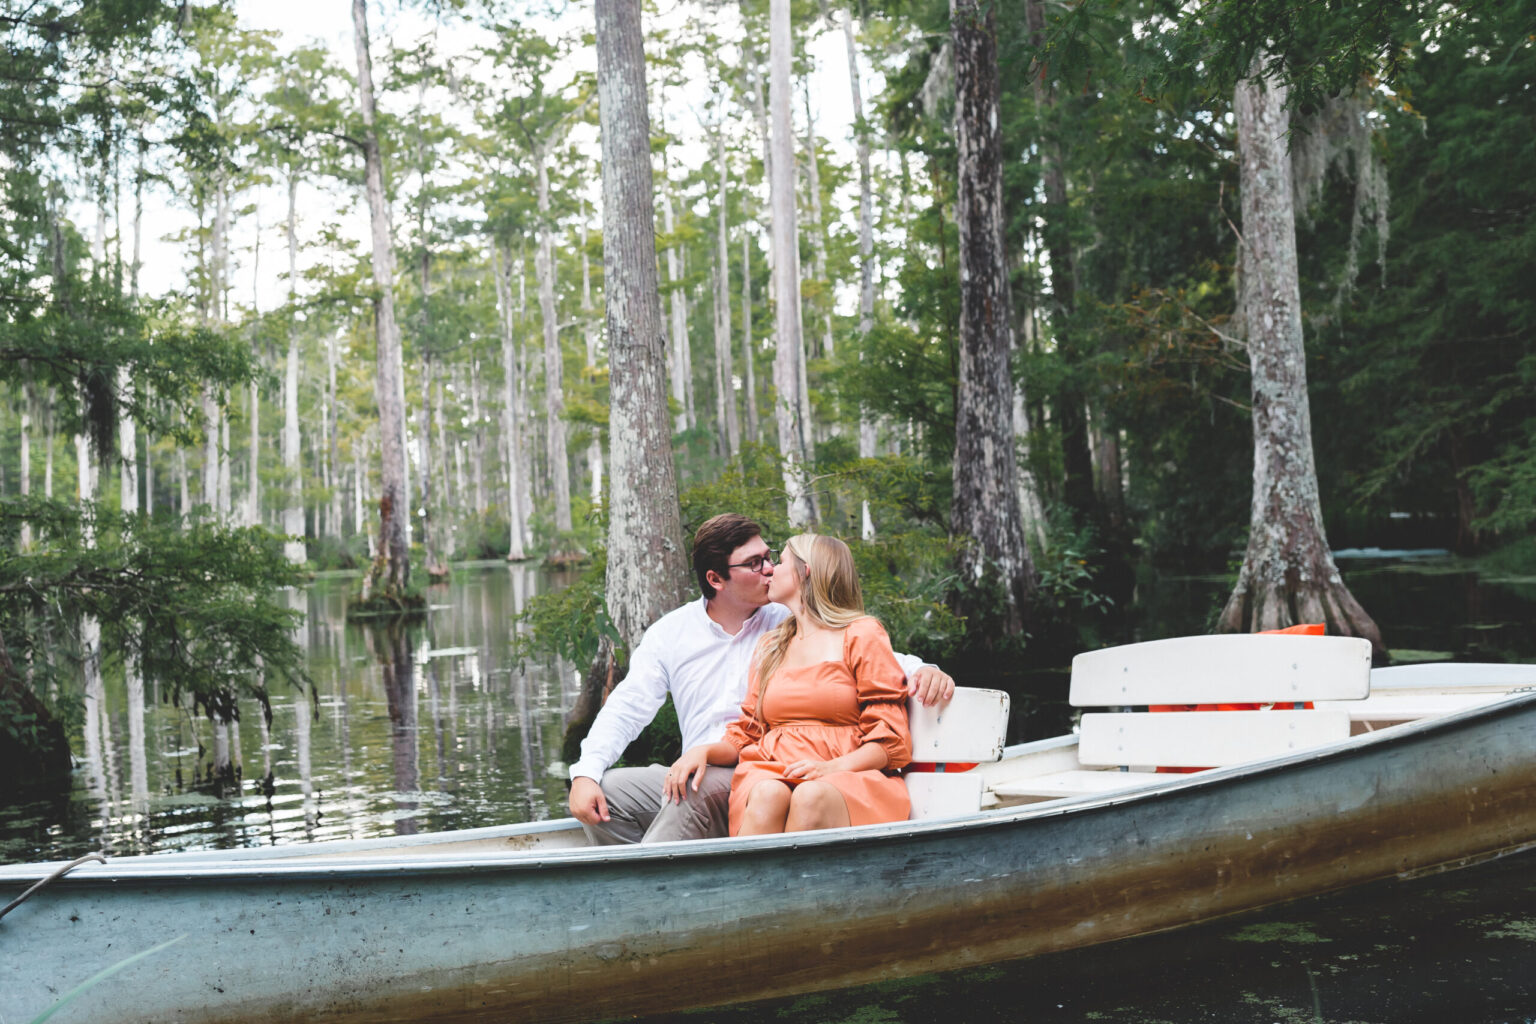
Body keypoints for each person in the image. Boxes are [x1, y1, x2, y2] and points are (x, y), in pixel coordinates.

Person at [567, 513, 954, 845]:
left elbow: (867, 652)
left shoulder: (784, 617)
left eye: (772, 559)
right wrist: (586, 772)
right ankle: (667, 879)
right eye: (755, 563)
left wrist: (924, 669)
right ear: (716, 579)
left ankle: (654, 893)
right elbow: (628, 707)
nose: (768, 569)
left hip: (758, 773)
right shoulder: (680, 633)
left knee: (693, 793)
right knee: (611, 792)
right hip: (737, 766)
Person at [666, 533, 913, 835]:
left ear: (804, 571)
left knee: (811, 795)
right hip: (772, 770)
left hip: (847, 775)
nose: (769, 570)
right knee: (768, 793)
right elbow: (748, 733)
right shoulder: (772, 645)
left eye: (780, 562)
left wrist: (830, 768)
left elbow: (890, 740)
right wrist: (702, 751)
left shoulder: (861, 633)